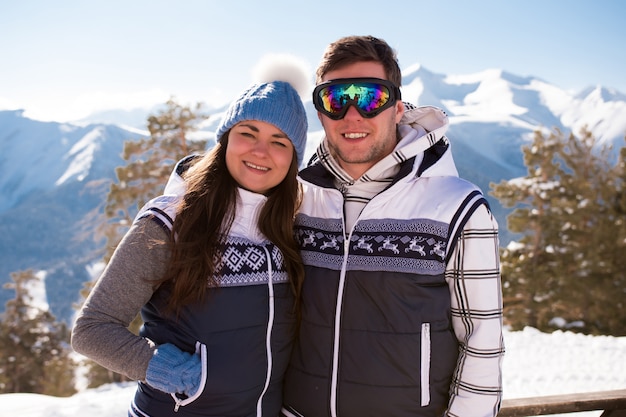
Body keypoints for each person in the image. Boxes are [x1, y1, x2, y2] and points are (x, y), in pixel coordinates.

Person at [71, 58, 309, 417]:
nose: (260, 151)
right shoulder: (169, 223)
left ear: (293, 159)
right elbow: (92, 330)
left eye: (279, 141)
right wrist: (173, 372)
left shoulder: (289, 232)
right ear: (225, 141)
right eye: (248, 133)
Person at [281, 35, 504, 417]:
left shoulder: (456, 208)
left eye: (370, 98)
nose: (353, 116)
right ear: (320, 113)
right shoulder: (297, 199)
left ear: (398, 108)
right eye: (335, 100)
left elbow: (482, 342)